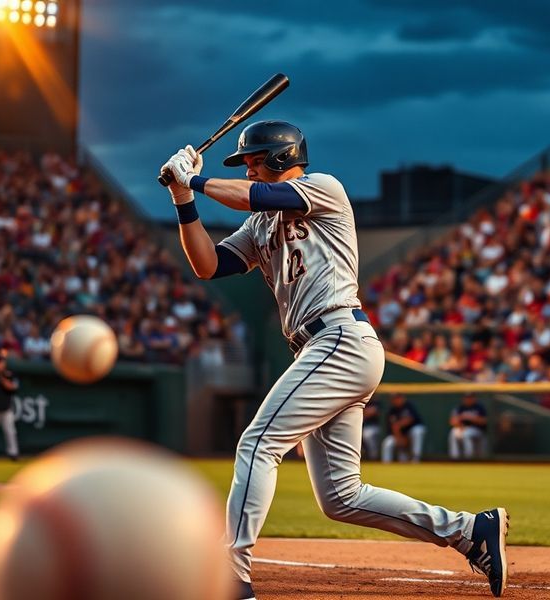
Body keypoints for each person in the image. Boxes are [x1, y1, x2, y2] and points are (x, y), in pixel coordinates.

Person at [161, 122, 509, 600]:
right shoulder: (260, 225)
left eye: (254, 159)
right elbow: (207, 265)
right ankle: (470, 531)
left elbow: (256, 195)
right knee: (341, 497)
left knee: (257, 443)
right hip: (323, 349)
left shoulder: (323, 188)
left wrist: (195, 179)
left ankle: (231, 574)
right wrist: (184, 198)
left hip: (339, 337)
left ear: (281, 157)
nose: (248, 166)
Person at [381, 393, 426, 463]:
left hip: (410, 434)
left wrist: (399, 425)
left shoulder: (409, 406)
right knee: (388, 443)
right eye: (394, 399)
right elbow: (392, 428)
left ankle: (416, 458)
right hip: (398, 436)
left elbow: (411, 419)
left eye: (397, 398)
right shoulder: (391, 411)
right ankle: (386, 464)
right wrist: (400, 438)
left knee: (417, 431)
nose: (396, 400)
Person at [449, 393, 488, 460]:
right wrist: (460, 424)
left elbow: (484, 421)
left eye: (470, 397)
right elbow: (452, 421)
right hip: (462, 428)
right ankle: (455, 458)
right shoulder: (460, 408)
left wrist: (469, 417)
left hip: (476, 430)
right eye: (466, 398)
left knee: (467, 434)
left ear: (474, 398)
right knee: (453, 433)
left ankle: (469, 458)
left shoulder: (479, 407)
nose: (468, 399)